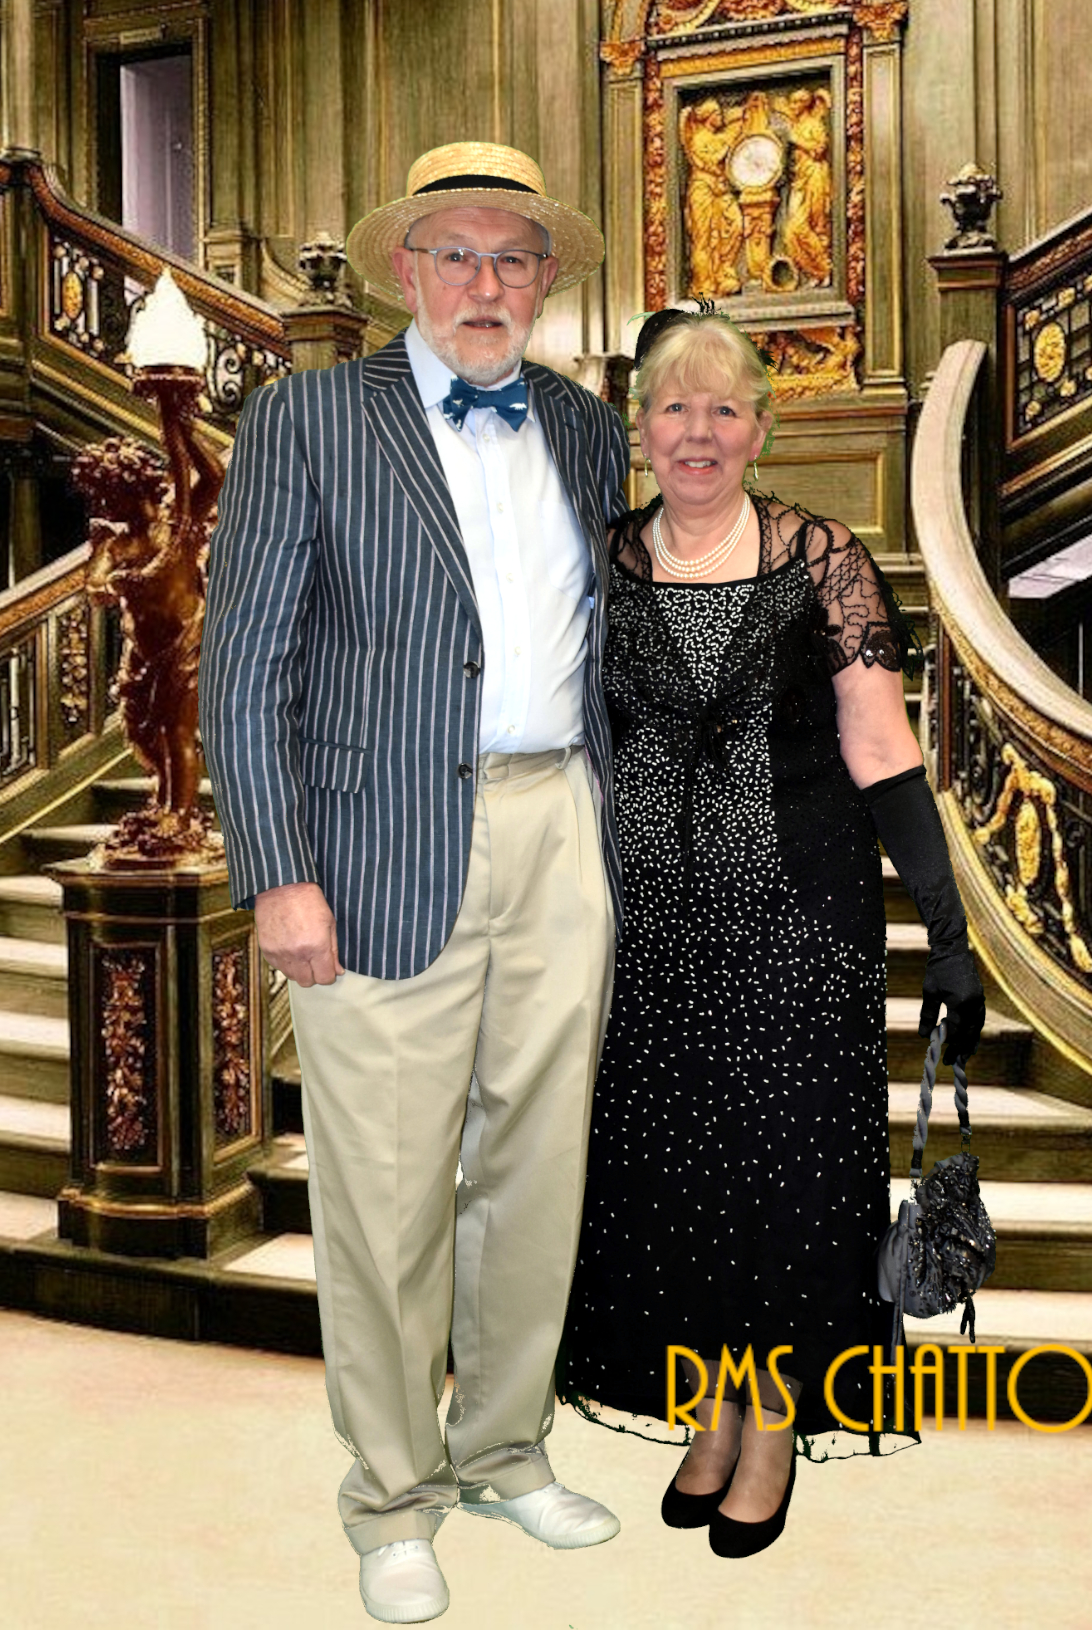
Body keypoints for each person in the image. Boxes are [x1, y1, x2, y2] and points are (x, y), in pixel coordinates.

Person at [198, 142, 630, 1624]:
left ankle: (505, 1449)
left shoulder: (585, 428)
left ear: (547, 279)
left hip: (557, 826)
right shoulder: (307, 419)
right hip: (373, 843)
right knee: (383, 1188)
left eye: (511, 258)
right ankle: (392, 1494)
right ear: (406, 271)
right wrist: (278, 872)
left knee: (537, 1168)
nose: (483, 284)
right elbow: (243, 664)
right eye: (457, 254)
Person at [558, 304, 985, 1558]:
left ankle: (773, 1422)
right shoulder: (601, 561)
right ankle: (709, 1409)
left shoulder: (821, 557)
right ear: (639, 429)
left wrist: (948, 931)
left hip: (800, 926)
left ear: (758, 428)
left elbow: (881, 748)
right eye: (672, 408)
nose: (696, 432)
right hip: (651, 935)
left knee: (786, 1186)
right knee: (675, 1184)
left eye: (723, 409)